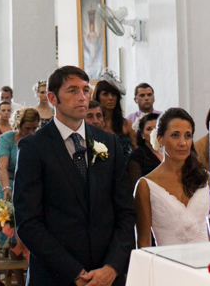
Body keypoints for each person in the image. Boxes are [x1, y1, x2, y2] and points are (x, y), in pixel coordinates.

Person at [14, 66, 135, 286]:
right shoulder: (33, 147)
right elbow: (28, 222)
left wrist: (112, 267)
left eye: (86, 90)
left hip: (106, 276)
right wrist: (73, 272)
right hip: (56, 276)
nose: (82, 97)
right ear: (52, 98)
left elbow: (125, 212)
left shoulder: (109, 143)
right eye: (72, 91)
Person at [134, 108, 209, 246]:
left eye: (188, 135)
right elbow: (144, 242)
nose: (183, 143)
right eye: (175, 135)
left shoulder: (204, 178)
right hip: (167, 263)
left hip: (206, 262)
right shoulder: (146, 186)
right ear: (159, 139)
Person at [0, 107, 40, 202]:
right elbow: (2, 167)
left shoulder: (38, 139)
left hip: (32, 185)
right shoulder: (6, 139)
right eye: (27, 128)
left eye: (35, 128)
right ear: (18, 125)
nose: (31, 132)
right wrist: (7, 189)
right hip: (10, 183)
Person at [92, 80, 133, 149]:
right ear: (98, 97)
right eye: (105, 94)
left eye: (113, 94)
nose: (110, 98)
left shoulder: (126, 124)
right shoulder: (92, 123)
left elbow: (136, 148)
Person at [126, 113, 160, 185]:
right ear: (142, 135)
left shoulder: (170, 150)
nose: (154, 132)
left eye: (156, 128)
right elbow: (135, 184)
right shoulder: (136, 156)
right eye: (149, 129)